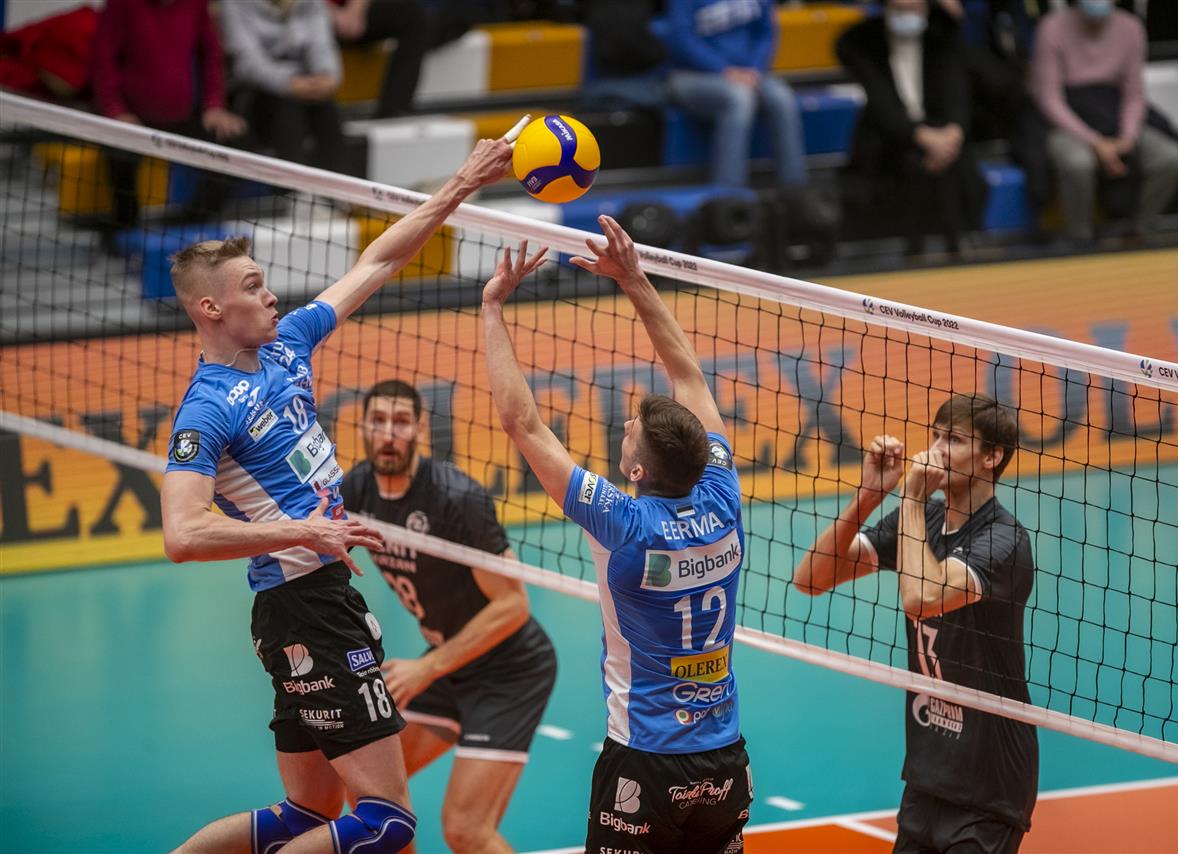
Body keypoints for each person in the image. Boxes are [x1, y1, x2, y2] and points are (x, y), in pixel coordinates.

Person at [159, 130, 515, 853]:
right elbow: (183, 534)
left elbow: (379, 260)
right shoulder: (207, 410)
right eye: (252, 287)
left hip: (312, 604)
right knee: (386, 822)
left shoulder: (288, 344)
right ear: (210, 308)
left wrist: (463, 183)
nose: (271, 294)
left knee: (307, 814)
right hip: (306, 607)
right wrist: (306, 531)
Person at [482, 218, 754, 853]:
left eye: (631, 429)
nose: (626, 427)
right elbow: (690, 377)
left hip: (646, 761)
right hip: (725, 759)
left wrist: (493, 306)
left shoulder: (623, 523)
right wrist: (634, 278)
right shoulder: (723, 495)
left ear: (636, 472)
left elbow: (522, 422)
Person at [793, 393, 1038, 854]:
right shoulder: (924, 517)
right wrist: (869, 497)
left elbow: (921, 599)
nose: (937, 450)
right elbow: (811, 578)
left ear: (992, 457)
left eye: (955, 440)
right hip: (928, 775)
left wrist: (909, 497)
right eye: (937, 435)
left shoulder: (1004, 540)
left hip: (988, 785)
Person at [342, 379, 557, 853]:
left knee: (465, 830)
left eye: (401, 422)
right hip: (449, 660)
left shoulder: (456, 498)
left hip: (509, 671)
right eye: (378, 421)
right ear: (362, 428)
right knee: (373, 799)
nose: (389, 434)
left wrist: (428, 668)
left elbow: (513, 605)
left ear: (421, 429)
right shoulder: (356, 489)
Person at [837, 0, 989, 255]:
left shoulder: (941, 39)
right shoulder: (864, 43)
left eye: (914, 9)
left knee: (957, 170)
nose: (907, 16)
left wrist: (952, 135)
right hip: (889, 138)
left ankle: (962, 246)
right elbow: (882, 105)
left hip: (943, 135)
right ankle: (912, 251)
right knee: (910, 165)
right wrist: (921, 136)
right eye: (900, 10)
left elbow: (957, 94)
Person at [1029, 0, 1178, 244]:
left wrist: (1127, 138)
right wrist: (1095, 142)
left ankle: (1138, 232)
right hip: (1068, 122)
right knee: (1077, 163)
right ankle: (1079, 239)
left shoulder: (1131, 27)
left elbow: (1134, 95)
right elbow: (1050, 100)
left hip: (1114, 117)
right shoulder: (1052, 28)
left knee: (1170, 157)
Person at [90, 0, 246, 230]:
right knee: (119, 157)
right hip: (133, 117)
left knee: (233, 145)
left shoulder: (195, 4)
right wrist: (116, 110)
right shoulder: (121, 4)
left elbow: (211, 55)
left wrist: (214, 105)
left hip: (185, 113)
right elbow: (103, 59)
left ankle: (194, 221)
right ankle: (124, 226)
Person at [665, 0, 808, 188]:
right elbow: (682, 40)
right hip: (691, 75)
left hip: (750, 74)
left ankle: (795, 187)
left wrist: (755, 69)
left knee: (782, 97)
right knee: (739, 98)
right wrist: (724, 70)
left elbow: (766, 33)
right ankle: (729, 192)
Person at [221, 0, 347, 173]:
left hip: (303, 84)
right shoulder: (234, 4)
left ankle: (338, 180)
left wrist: (326, 76)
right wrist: (289, 84)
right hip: (254, 93)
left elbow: (322, 45)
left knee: (325, 106)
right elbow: (247, 63)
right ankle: (290, 184)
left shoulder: (313, 3)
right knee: (288, 107)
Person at [328, 0, 477, 119]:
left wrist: (354, 12)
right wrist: (334, 16)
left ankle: (394, 108)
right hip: (318, 20)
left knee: (414, 15)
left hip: (351, 15)